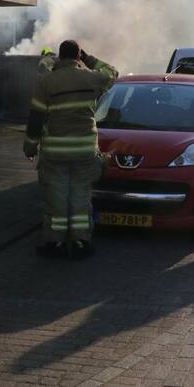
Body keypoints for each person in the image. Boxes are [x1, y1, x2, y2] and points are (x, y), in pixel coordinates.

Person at [24, 40, 118, 259]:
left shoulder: (47, 81)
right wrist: (89, 59)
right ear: (78, 57)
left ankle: (54, 244)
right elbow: (112, 72)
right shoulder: (91, 78)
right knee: (80, 196)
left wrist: (29, 147)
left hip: (55, 152)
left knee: (56, 196)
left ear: (60, 56)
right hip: (84, 151)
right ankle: (80, 243)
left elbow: (36, 118)